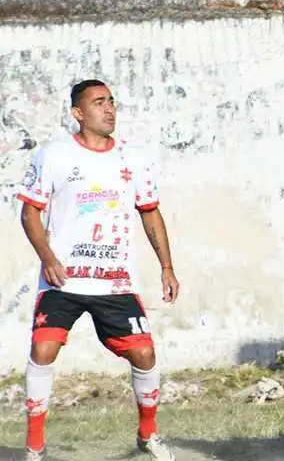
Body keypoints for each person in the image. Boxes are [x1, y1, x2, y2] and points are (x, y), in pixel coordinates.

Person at [18, 80, 180, 461]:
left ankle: (148, 435)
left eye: (111, 102)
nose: (109, 109)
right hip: (64, 278)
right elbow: (30, 212)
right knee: (44, 349)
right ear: (78, 113)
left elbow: (150, 211)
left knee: (144, 355)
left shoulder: (133, 159)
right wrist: (48, 257)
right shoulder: (54, 155)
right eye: (98, 102)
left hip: (116, 280)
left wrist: (167, 268)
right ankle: (34, 448)